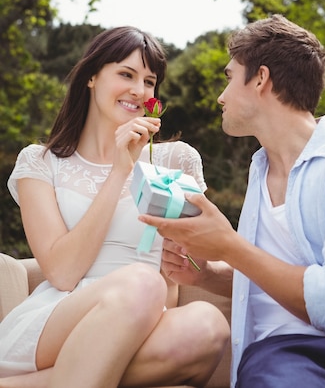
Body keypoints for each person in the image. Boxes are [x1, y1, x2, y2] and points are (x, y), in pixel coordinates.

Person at [140, 14, 325, 388]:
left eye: (229, 77)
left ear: (260, 78)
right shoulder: (259, 170)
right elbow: (278, 275)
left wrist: (229, 245)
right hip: (284, 354)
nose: (221, 97)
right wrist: (207, 274)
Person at [0, 26, 229, 388]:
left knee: (208, 324)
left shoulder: (176, 161)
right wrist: (121, 168)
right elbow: (62, 272)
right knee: (143, 281)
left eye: (149, 81)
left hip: (146, 323)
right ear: (91, 76)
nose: (139, 91)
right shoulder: (40, 162)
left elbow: (170, 285)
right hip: (58, 317)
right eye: (126, 74)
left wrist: (179, 261)